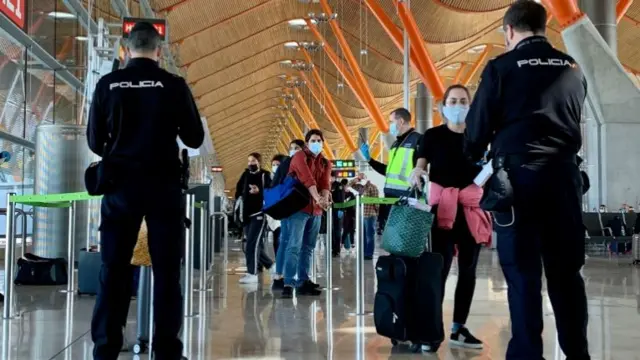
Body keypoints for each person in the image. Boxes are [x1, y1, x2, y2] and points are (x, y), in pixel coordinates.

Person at [463, 2, 590, 359]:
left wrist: (475, 152)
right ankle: (577, 354)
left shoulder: (501, 68)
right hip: (565, 179)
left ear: (509, 31)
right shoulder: (572, 67)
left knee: (523, 276)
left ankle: (528, 354)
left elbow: (476, 131)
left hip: (517, 182)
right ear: (544, 26)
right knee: (567, 274)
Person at [87, 22, 204, 360]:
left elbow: (96, 142)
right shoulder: (173, 85)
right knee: (167, 272)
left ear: (126, 49)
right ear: (159, 50)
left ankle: (106, 349)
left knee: (114, 269)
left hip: (120, 187)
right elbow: (194, 138)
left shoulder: (108, 85)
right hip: (163, 188)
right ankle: (167, 350)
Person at [411, 84, 491, 350]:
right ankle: (432, 331)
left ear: (471, 105)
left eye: (463, 101)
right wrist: (417, 173)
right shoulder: (432, 136)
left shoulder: (479, 137)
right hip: (441, 211)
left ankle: (459, 328)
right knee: (439, 271)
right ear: (443, 106)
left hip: (470, 210)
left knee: (468, 271)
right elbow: (421, 164)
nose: (458, 106)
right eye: (453, 101)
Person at [281, 129, 333, 298]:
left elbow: (325, 183)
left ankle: (303, 280)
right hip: (298, 209)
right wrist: (318, 197)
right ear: (307, 142)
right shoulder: (299, 157)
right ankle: (288, 282)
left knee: (308, 247)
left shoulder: (326, 162)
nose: (316, 143)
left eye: (319, 140)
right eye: (313, 140)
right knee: (294, 246)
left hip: (316, 211)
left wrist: (324, 199)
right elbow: (307, 178)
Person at [360, 108, 422, 231]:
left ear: (401, 121)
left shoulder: (418, 140)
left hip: (406, 200)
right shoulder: (395, 145)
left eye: (391, 121)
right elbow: (388, 172)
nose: (390, 126)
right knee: (393, 242)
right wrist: (370, 160)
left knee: (405, 240)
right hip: (391, 201)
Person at [271, 139, 305, 290]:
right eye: (292, 148)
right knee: (293, 243)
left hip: (286, 207)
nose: (293, 150)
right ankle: (289, 277)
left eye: (296, 148)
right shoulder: (300, 163)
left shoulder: (285, 164)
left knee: (285, 241)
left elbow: (275, 185)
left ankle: (279, 276)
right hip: (296, 207)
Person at [235, 153, 273, 284]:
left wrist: (259, 191)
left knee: (252, 243)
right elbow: (238, 190)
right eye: (249, 160)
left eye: (253, 161)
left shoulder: (265, 175)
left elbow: (270, 192)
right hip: (246, 215)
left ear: (259, 162)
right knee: (249, 245)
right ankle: (270, 265)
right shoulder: (245, 175)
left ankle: (252, 273)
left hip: (259, 214)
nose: (251, 163)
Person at [348, 173, 379, 260]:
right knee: (363, 235)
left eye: (361, 178)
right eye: (359, 178)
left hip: (370, 214)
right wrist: (354, 180)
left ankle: (369, 254)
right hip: (360, 214)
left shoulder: (373, 187)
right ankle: (364, 252)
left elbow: (376, 202)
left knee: (369, 235)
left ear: (366, 178)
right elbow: (347, 187)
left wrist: (376, 213)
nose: (360, 180)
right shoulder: (358, 187)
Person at [268, 154, 287, 256]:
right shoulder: (269, 179)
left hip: (287, 212)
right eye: (273, 164)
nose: (275, 166)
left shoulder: (288, 177)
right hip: (275, 214)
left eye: (277, 164)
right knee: (278, 237)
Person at [330, 175, 346, 257]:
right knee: (331, 231)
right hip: (330, 211)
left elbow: (341, 199)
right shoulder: (329, 185)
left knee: (337, 230)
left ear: (333, 177)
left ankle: (337, 250)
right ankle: (332, 248)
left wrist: (341, 210)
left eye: (330, 177)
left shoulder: (339, 186)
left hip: (337, 211)